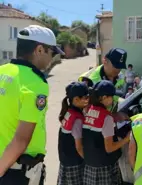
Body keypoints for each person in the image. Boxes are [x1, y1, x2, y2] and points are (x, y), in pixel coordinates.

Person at [0, 25, 64, 184]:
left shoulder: (2, 71)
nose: (53, 58)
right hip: (16, 172)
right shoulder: (35, 83)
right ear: (40, 50)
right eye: (52, 52)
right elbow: (21, 140)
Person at [82, 80, 130, 185]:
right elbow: (110, 148)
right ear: (103, 97)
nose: (113, 99)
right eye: (111, 96)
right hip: (105, 169)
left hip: (90, 165)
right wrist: (127, 139)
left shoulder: (87, 111)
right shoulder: (106, 118)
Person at [57, 82, 89, 185]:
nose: (88, 99)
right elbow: (79, 148)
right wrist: (90, 161)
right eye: (86, 97)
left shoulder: (69, 112)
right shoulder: (77, 120)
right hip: (74, 163)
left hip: (66, 161)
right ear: (76, 99)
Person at [78, 48, 127, 112]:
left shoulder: (121, 76)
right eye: (115, 66)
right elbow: (81, 106)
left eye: (120, 67)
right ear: (104, 61)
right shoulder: (88, 79)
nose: (117, 70)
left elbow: (117, 99)